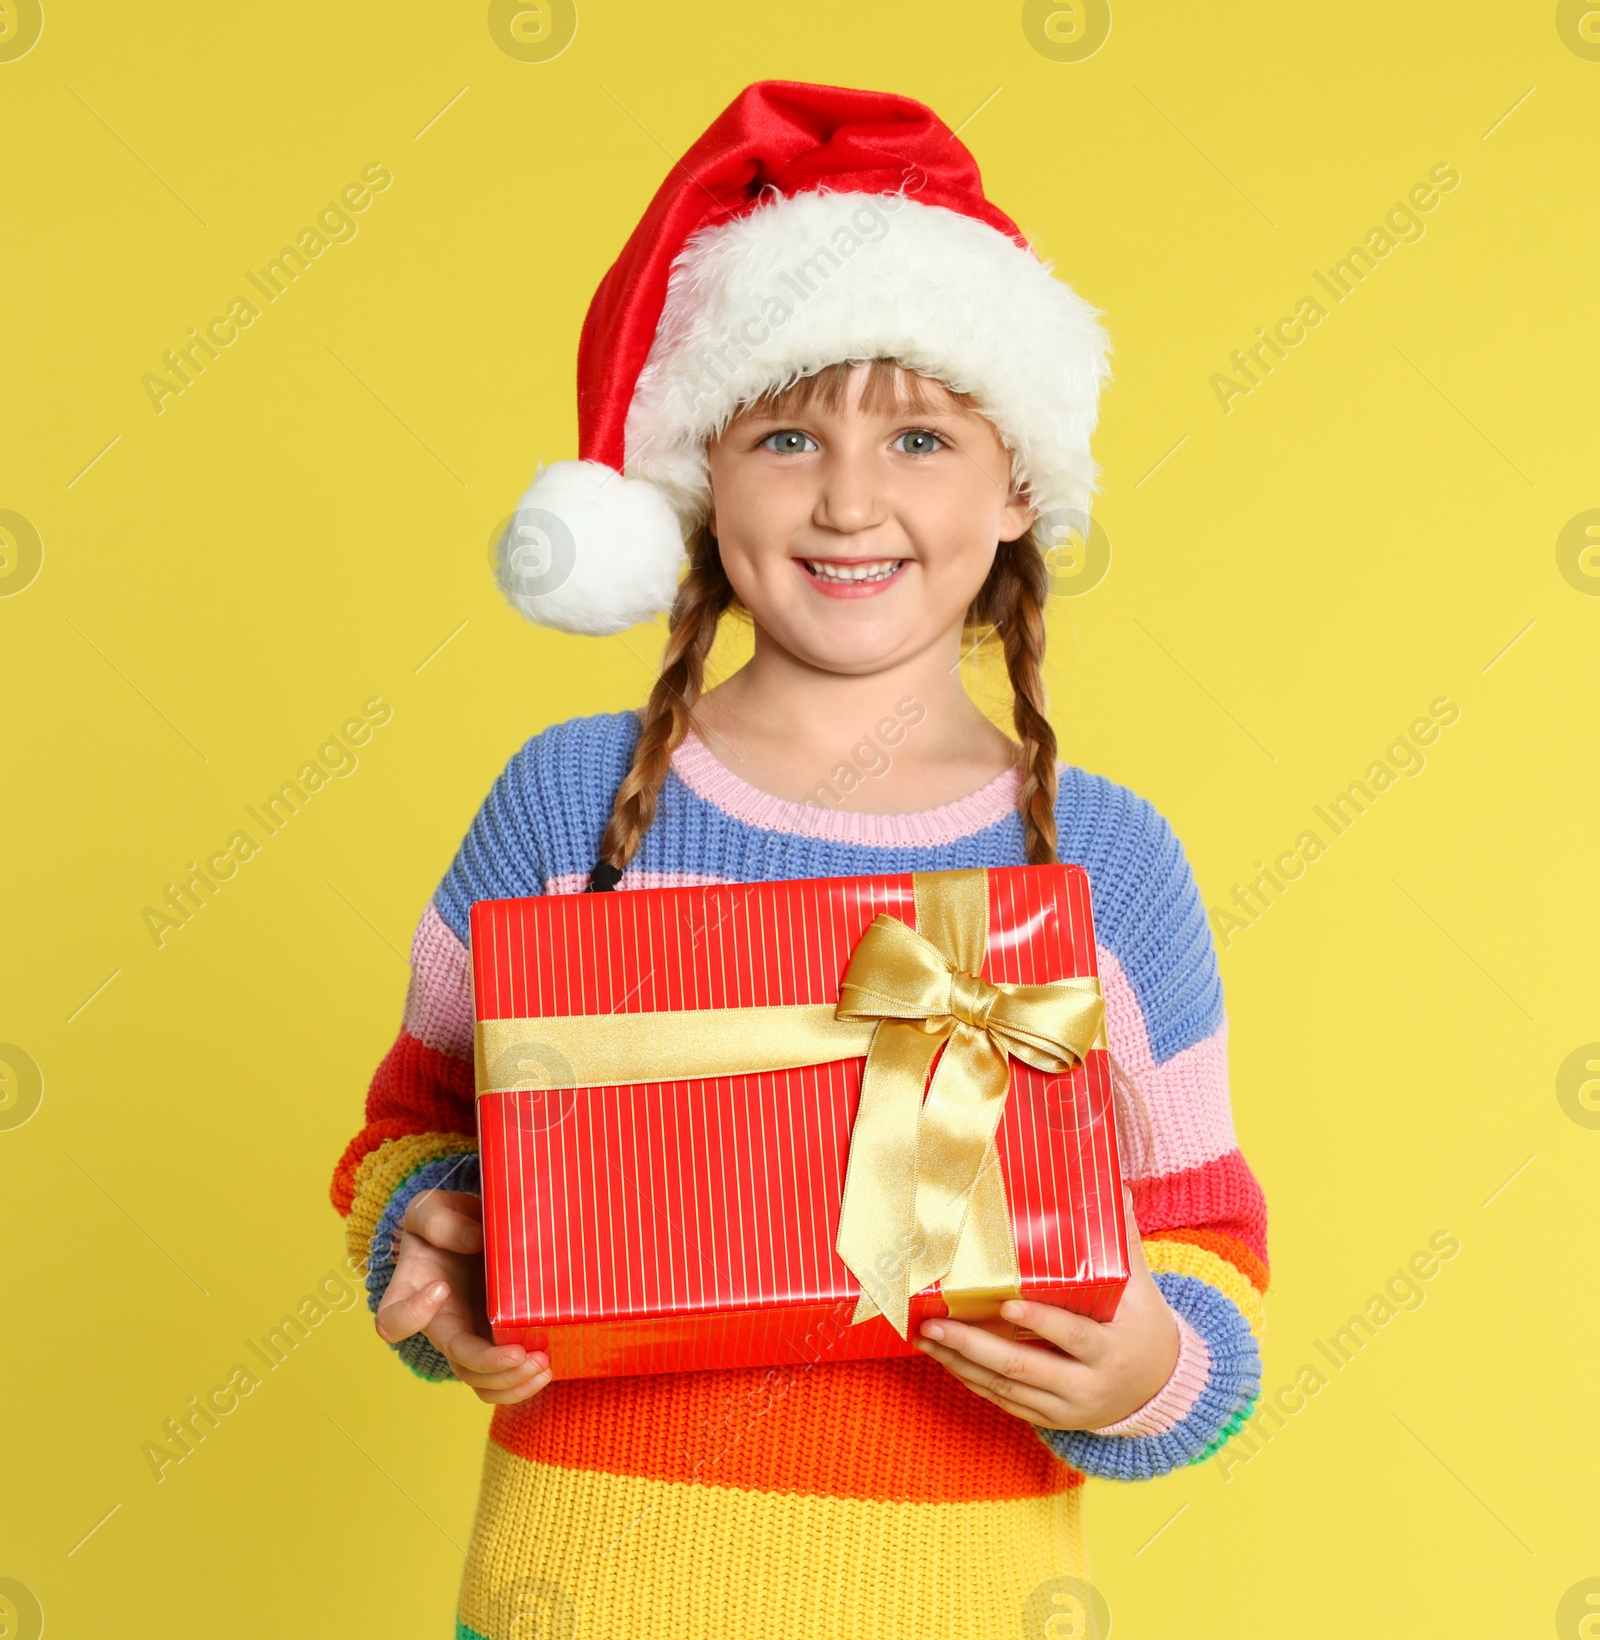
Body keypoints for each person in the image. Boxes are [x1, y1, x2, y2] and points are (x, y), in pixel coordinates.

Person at [330, 80, 1269, 1640]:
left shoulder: (1104, 858)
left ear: (1019, 483)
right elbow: (408, 1137)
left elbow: (1206, 1242)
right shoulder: (571, 803)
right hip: (580, 1595)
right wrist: (433, 1253)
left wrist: (1151, 1368)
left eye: (920, 434)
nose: (849, 499)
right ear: (704, 475)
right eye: (785, 432)